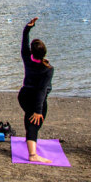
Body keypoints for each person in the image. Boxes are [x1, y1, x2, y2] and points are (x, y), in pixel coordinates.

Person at [18, 17, 53, 163]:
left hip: (24, 96)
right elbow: (41, 91)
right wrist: (39, 110)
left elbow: (24, 44)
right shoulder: (47, 69)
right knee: (35, 122)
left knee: (29, 117)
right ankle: (33, 155)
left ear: (32, 52)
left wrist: (27, 28)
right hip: (35, 98)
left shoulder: (27, 58)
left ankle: (29, 140)